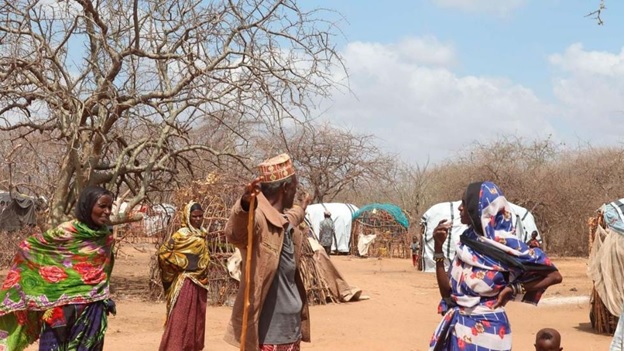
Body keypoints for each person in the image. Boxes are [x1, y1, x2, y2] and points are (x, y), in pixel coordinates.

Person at [429, 181, 562, 351]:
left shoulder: (509, 246)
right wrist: (438, 249)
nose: (460, 208)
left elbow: (554, 276)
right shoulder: (467, 243)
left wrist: (514, 288)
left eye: (465, 203)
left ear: (480, 209)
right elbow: (447, 293)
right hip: (458, 329)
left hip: (490, 334)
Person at [0, 186, 117, 351]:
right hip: (62, 311)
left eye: (109, 207)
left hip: (92, 311)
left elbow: (105, 271)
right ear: (88, 205)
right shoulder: (67, 232)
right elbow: (31, 247)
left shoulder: (105, 237)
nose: (106, 211)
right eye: (102, 206)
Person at [224, 153, 311, 351]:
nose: (294, 193)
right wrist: (245, 205)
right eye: (294, 188)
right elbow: (236, 233)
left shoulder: (283, 221)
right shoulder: (259, 220)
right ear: (285, 188)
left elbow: (292, 216)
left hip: (291, 331)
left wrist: (302, 208)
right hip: (270, 337)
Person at [158, 201, 210, 351]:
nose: (198, 219)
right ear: (188, 217)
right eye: (195, 216)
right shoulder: (181, 235)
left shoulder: (202, 233)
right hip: (186, 283)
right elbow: (163, 254)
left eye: (201, 216)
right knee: (181, 320)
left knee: (195, 322)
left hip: (201, 284)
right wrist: (183, 264)